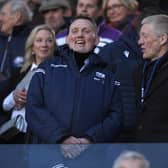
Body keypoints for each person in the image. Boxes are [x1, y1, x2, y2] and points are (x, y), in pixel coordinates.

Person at [26, 16, 123, 148]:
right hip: (48, 152)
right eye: (75, 31)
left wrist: (89, 139)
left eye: (86, 31)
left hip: (91, 153)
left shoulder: (109, 76)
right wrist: (62, 138)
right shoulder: (46, 69)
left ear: (97, 39)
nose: (80, 35)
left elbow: (116, 116)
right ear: (67, 39)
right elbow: (33, 107)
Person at [1, 24, 56, 144]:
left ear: (54, 47)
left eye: (49, 41)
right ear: (32, 47)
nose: (44, 45)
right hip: (14, 135)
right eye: (39, 40)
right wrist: (14, 97)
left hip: (40, 137)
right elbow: (4, 106)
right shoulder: (20, 73)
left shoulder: (59, 74)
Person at [133, 14, 168, 142]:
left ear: (162, 39)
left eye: (145, 36)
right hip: (141, 148)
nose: (139, 41)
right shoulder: (139, 71)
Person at [0, 0, 33, 128]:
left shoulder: (32, 39)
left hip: (17, 113)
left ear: (17, 16)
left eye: (3, 14)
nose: (0, 18)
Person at [56, 0, 121, 53]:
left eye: (89, 6)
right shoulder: (59, 39)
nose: (84, 9)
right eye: (81, 5)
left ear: (100, 11)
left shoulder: (116, 36)